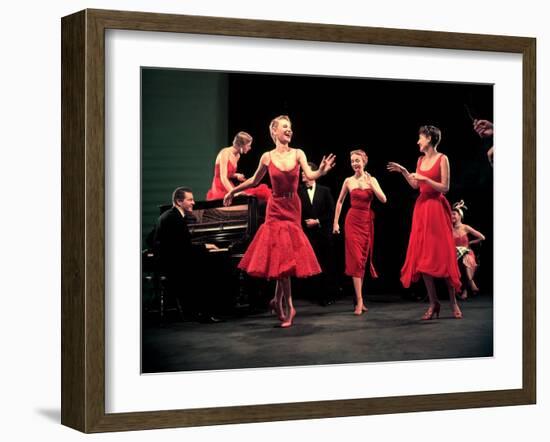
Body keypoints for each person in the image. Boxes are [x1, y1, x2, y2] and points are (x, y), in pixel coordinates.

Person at [223, 115, 336, 327]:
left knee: (285, 256)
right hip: (275, 209)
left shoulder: (298, 153)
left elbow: (311, 173)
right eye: (285, 127)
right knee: (279, 255)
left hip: (292, 207)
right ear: (274, 131)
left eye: (290, 127)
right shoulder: (266, 157)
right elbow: (254, 180)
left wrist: (321, 170)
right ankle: (288, 306)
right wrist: (234, 191)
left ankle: (277, 300)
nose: (289, 130)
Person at [387, 125, 463, 320]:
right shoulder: (420, 160)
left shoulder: (442, 158)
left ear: (429, 138)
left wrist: (425, 179)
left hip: (437, 209)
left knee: (443, 255)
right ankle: (433, 303)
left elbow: (444, 187)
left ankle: (453, 302)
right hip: (422, 210)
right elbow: (415, 184)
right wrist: (405, 171)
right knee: (423, 258)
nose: (418, 141)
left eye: (420, 137)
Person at [153, 187, 222, 323]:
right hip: (174, 265)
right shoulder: (176, 219)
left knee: (206, 267)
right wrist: (204, 246)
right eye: (190, 200)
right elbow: (184, 247)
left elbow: (151, 240)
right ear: (179, 201)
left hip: (168, 262)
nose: (193, 203)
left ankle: (199, 312)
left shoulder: (166, 215)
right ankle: (204, 314)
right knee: (210, 272)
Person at [333, 150, 387, 315]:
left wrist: (372, 185)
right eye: (352, 161)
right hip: (352, 221)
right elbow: (340, 201)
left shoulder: (372, 180)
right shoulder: (348, 181)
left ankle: (358, 298)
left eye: (357, 161)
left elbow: (383, 199)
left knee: (361, 261)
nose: (355, 164)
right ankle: (360, 301)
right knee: (355, 259)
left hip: (366, 222)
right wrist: (335, 222)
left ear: (364, 162)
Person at [298, 162, 337, 306]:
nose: (302, 173)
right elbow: (295, 211)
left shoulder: (324, 191)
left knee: (325, 264)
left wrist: (318, 221)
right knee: (309, 265)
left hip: (322, 233)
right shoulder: (298, 191)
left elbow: (331, 211)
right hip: (306, 234)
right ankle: (311, 294)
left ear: (313, 173)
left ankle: (326, 295)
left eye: (305, 171)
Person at [206, 131, 271, 201]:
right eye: (248, 145)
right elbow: (223, 177)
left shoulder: (237, 156)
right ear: (241, 145)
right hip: (220, 187)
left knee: (258, 194)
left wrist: (236, 175)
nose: (250, 148)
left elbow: (228, 174)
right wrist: (234, 193)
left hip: (229, 185)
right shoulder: (225, 153)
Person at [451, 200, 485, 300]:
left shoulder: (465, 227)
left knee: (465, 259)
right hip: (454, 254)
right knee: (460, 260)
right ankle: (470, 284)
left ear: (460, 215)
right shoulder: (449, 228)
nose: (452, 216)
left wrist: (470, 243)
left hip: (467, 253)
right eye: (450, 214)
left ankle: (467, 286)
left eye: (454, 214)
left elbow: (482, 237)